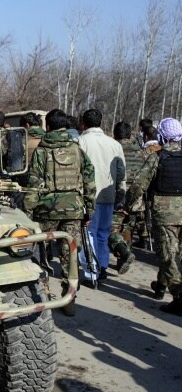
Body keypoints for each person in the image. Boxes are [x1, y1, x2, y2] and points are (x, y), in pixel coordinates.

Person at [24, 109, 95, 316]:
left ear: (48, 127)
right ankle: (70, 296)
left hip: (46, 210)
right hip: (73, 209)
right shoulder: (77, 149)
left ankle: (43, 291)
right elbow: (90, 180)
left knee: (41, 253)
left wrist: (27, 212)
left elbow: (34, 183)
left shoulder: (41, 150)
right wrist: (89, 210)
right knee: (70, 255)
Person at [125, 118, 182, 315]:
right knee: (176, 255)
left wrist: (128, 204)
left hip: (164, 213)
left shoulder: (158, 157)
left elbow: (138, 185)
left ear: (163, 135)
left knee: (167, 255)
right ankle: (161, 285)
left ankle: (178, 295)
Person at [78, 109, 126, 280]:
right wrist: (120, 194)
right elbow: (121, 173)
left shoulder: (80, 141)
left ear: (83, 122)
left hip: (86, 196)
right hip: (108, 195)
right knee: (103, 233)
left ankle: (91, 270)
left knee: (88, 233)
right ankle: (103, 266)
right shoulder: (115, 144)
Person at [106, 122, 138, 273]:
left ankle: (124, 254)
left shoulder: (113, 150)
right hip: (137, 200)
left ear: (114, 134)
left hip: (118, 196)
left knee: (113, 230)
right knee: (127, 228)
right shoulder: (143, 152)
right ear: (130, 134)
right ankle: (123, 259)